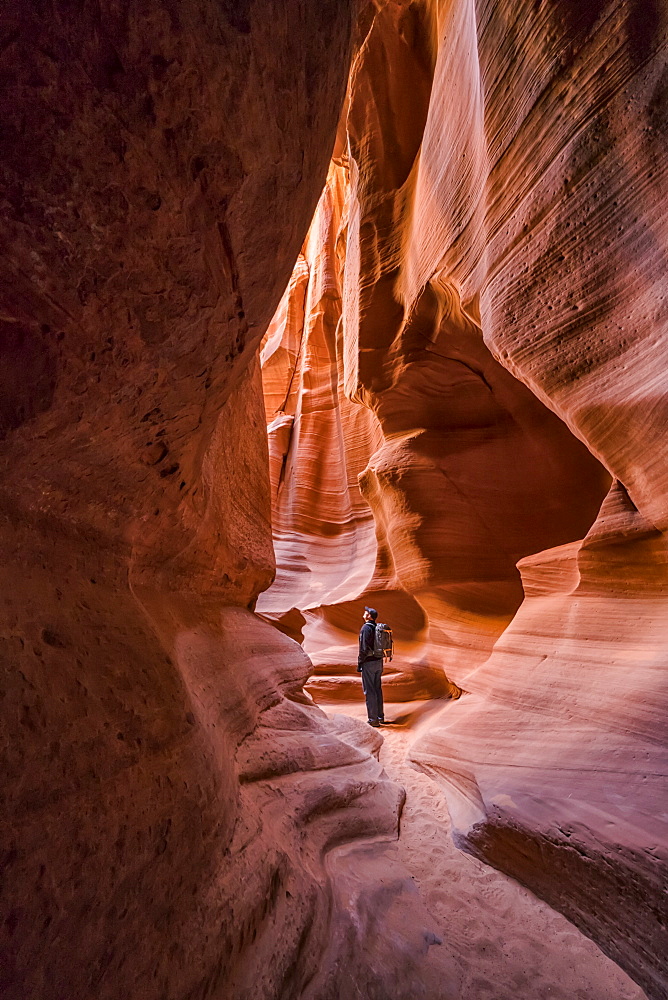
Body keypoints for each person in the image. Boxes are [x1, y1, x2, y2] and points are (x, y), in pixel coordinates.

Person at [357, 606, 385, 727]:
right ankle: (380, 716)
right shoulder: (378, 628)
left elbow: (363, 648)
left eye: (365, 612)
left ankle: (373, 720)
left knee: (369, 691)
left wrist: (360, 663)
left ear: (368, 616)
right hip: (379, 662)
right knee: (377, 689)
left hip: (368, 663)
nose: (364, 613)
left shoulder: (366, 628)